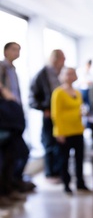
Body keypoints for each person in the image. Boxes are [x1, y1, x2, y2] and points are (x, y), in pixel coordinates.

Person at [0, 42, 34, 192]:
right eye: (14, 49)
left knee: (17, 153)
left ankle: (13, 184)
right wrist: (4, 92)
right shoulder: (2, 66)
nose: (17, 53)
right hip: (6, 118)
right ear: (5, 51)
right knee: (9, 154)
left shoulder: (12, 70)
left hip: (13, 115)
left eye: (19, 50)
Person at [51, 67, 90, 195]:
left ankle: (80, 182)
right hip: (64, 131)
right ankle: (66, 184)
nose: (70, 76)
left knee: (79, 158)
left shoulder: (78, 93)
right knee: (64, 159)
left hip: (77, 129)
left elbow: (80, 108)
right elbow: (55, 114)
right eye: (67, 74)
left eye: (72, 74)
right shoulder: (58, 93)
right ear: (62, 76)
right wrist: (59, 132)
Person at [29, 49, 65, 181]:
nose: (64, 62)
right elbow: (32, 98)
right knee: (49, 143)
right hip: (49, 116)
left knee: (60, 144)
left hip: (60, 116)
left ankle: (59, 171)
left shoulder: (61, 74)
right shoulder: (42, 74)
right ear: (55, 59)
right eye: (62, 59)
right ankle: (50, 173)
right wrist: (44, 109)